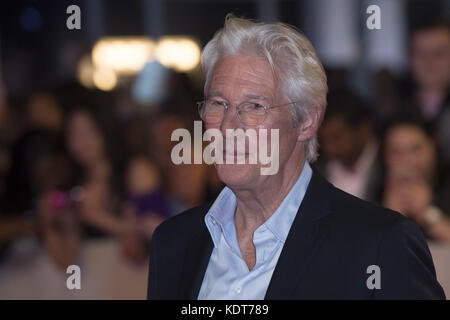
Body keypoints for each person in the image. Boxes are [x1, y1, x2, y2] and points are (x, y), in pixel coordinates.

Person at [147, 14, 445, 299]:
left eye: (254, 107)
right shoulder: (174, 243)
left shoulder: (379, 244)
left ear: (306, 121)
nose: (228, 126)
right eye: (218, 103)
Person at [381, 117, 450, 243]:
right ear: (385, 157)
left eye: (416, 149)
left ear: (433, 145)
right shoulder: (376, 191)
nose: (407, 160)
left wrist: (427, 213)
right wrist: (390, 216)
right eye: (396, 152)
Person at [317, 90, 381, 201]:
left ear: (364, 129)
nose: (329, 148)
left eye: (337, 137)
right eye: (323, 140)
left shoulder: (388, 163)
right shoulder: (316, 171)